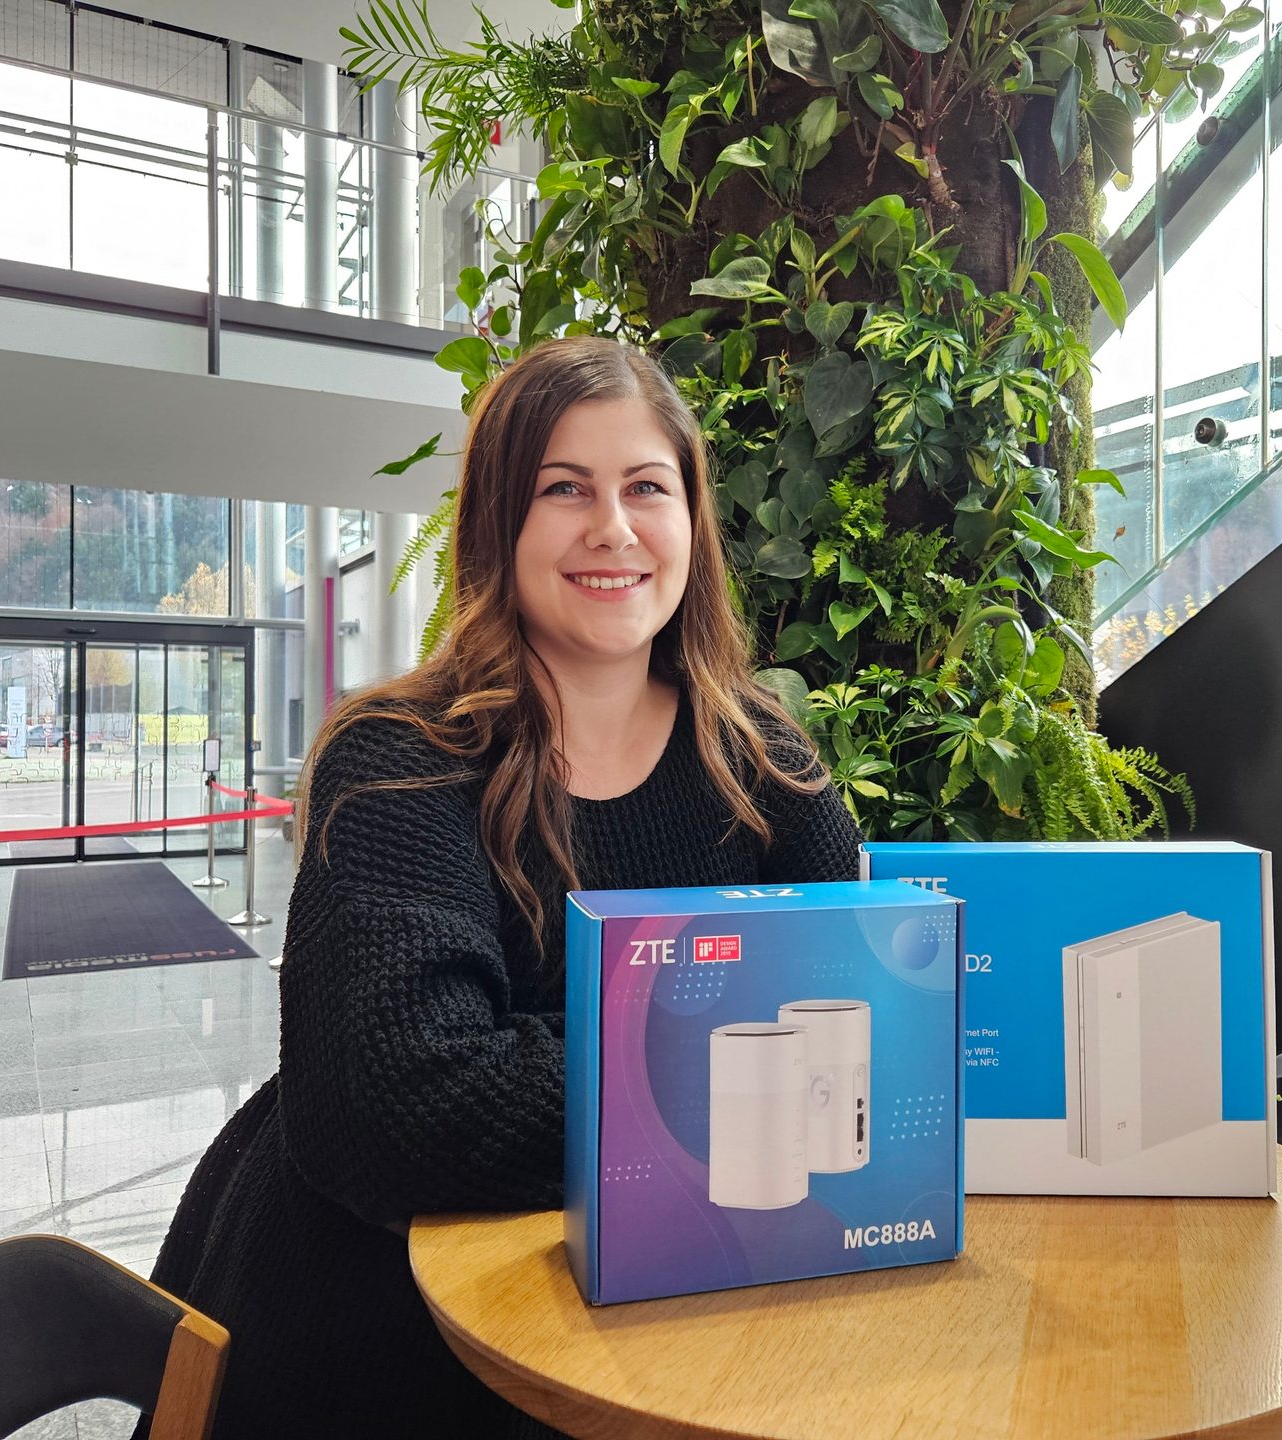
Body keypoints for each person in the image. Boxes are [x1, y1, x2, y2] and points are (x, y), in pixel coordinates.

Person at [145, 336, 861, 1437]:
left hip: (678, 1309)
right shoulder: (400, 758)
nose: (613, 528)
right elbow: (402, 1107)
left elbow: (854, 1034)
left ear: (690, 523)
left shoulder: (764, 764)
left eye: (645, 489)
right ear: (497, 525)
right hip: (372, 1333)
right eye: (564, 489)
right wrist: (741, 1057)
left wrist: (590, 1057)